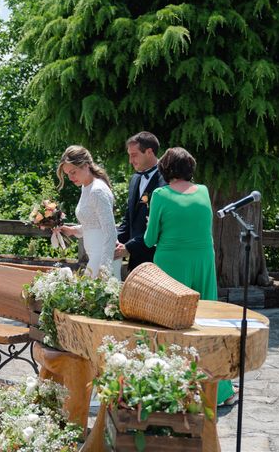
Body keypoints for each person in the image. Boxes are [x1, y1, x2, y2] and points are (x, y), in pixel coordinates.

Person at [143, 146, 237, 406]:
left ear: (166, 169)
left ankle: (171, 387)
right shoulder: (204, 191)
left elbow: (150, 240)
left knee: (170, 324)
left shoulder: (160, 194)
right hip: (203, 261)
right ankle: (219, 392)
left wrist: (152, 219)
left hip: (172, 265)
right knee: (206, 323)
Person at [56, 146, 121, 280]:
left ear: (86, 166)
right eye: (67, 173)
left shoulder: (97, 191)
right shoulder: (86, 187)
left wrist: (104, 268)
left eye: (73, 172)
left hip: (102, 256)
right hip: (95, 255)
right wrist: (73, 230)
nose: (70, 177)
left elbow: (110, 231)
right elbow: (94, 225)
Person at [115, 131, 167, 272]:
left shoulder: (166, 181)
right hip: (136, 262)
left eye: (134, 155)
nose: (130, 161)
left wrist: (130, 247)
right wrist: (114, 242)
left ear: (149, 152)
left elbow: (160, 225)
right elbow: (129, 218)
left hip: (158, 260)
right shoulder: (135, 179)